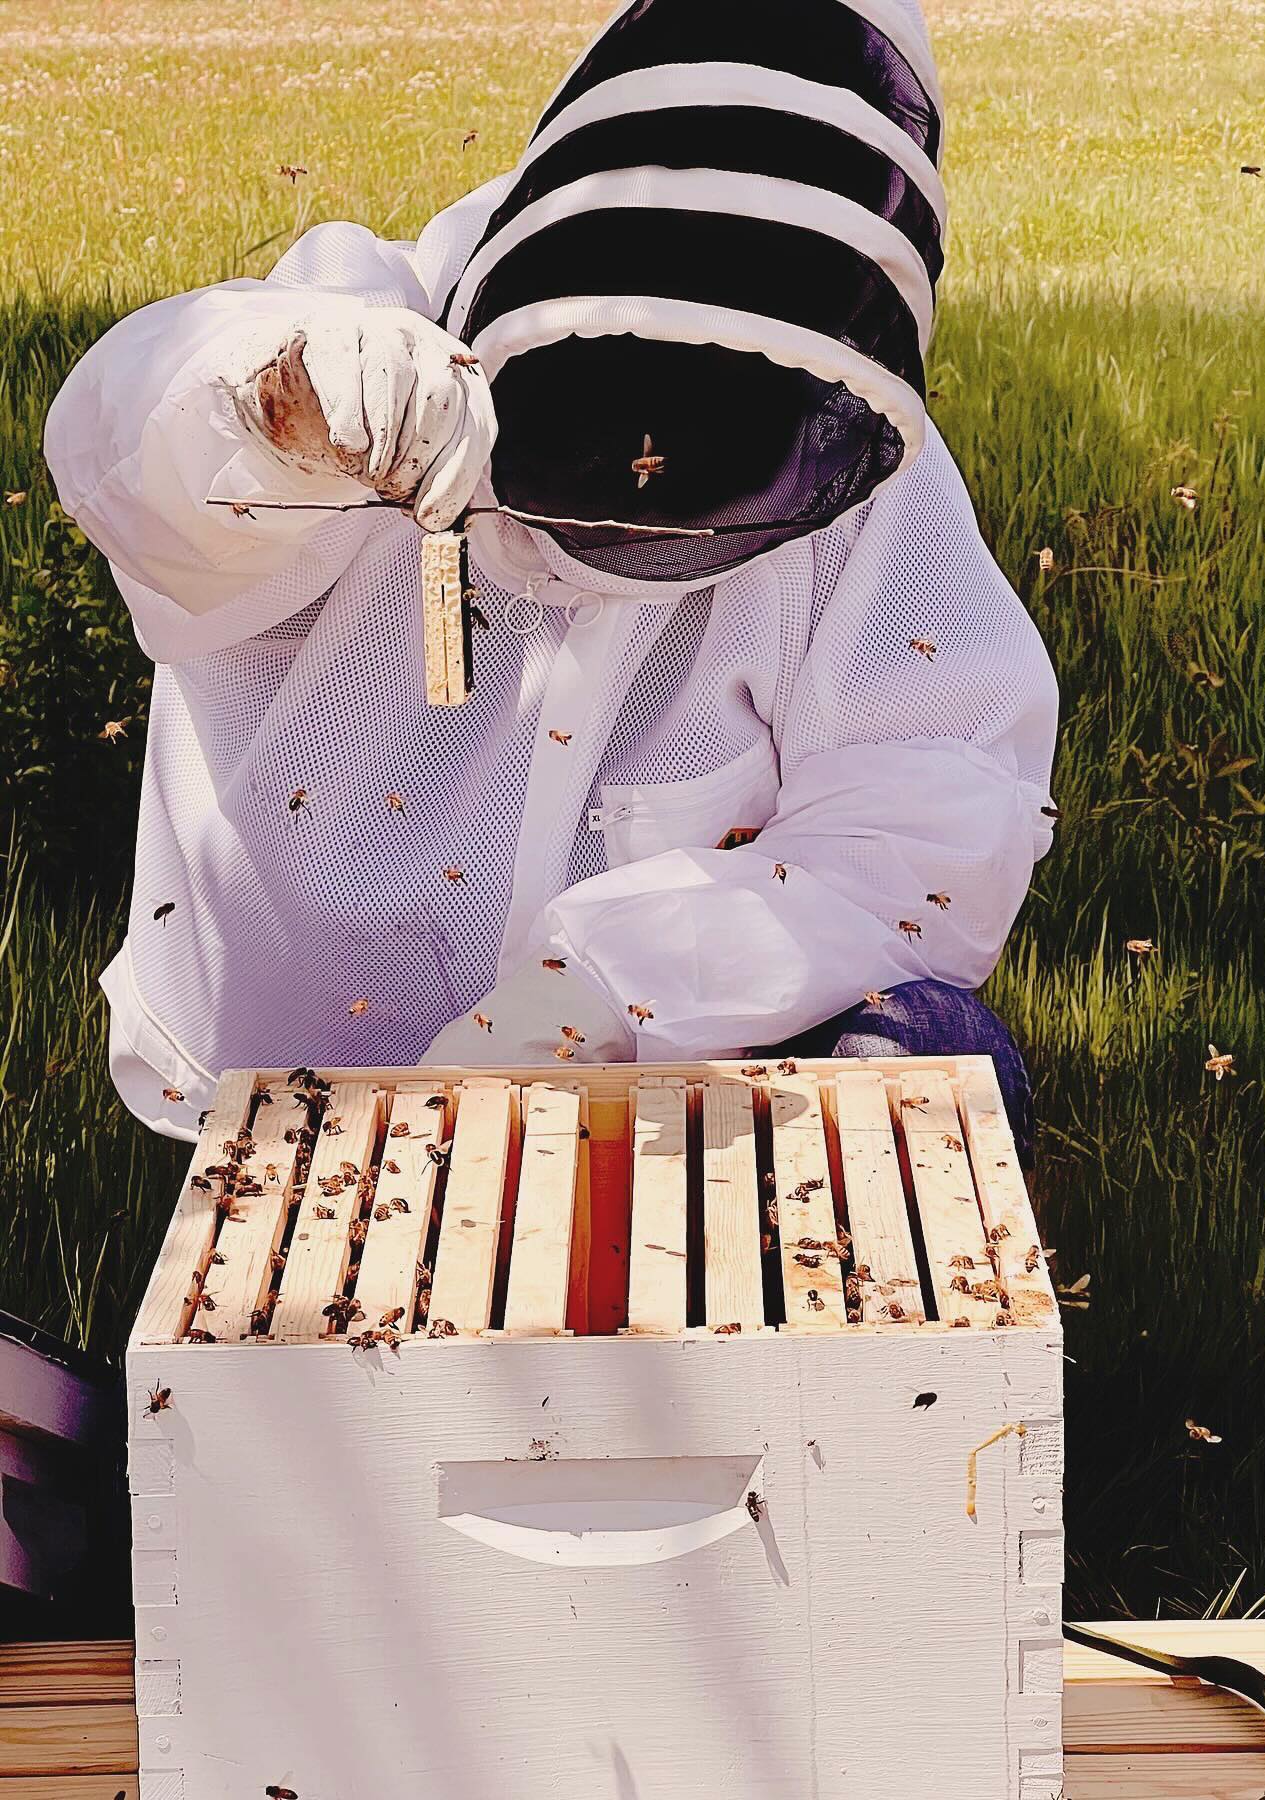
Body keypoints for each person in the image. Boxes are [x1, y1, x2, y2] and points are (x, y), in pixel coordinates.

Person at [44, 0, 1057, 1164]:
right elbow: (132, 469)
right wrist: (271, 408)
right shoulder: (358, 331)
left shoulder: (855, 482)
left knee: (927, 1050)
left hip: (668, 1068)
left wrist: (602, 990)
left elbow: (927, 809)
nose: (636, 493)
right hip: (302, 1090)